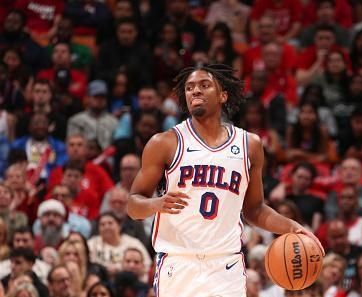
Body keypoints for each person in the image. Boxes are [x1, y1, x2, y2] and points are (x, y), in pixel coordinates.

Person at [127, 64, 323, 296]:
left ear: (223, 95)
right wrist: (155, 204)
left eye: (204, 85)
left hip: (226, 266)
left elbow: (254, 210)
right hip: (179, 263)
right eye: (189, 88)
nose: (195, 91)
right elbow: (133, 205)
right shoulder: (164, 143)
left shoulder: (249, 145)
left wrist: (292, 226)